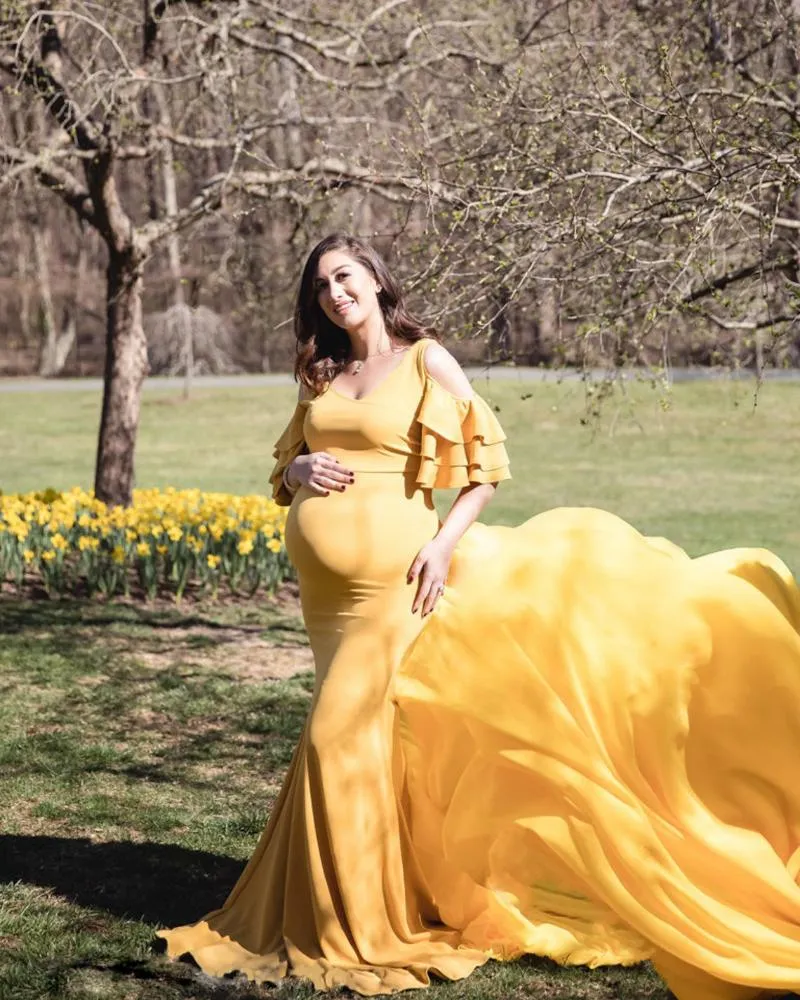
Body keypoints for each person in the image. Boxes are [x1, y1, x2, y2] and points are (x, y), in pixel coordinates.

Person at [158, 233, 800, 1000]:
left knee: (335, 738)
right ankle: (365, 898)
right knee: (362, 743)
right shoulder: (323, 371)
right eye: (322, 284)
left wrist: (443, 547)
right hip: (326, 602)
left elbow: (486, 465)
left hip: (396, 584)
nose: (335, 292)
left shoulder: (424, 360)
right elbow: (287, 468)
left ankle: (353, 926)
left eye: (346, 276)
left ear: (375, 280)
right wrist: (296, 469)